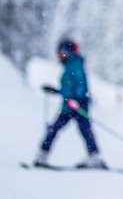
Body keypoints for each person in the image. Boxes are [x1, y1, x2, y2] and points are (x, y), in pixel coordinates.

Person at [33, 39, 107, 169]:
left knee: (62, 129)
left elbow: (81, 85)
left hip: (77, 106)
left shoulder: (75, 64)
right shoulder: (69, 65)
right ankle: (94, 157)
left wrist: (76, 99)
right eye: (59, 53)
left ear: (69, 52)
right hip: (70, 105)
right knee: (78, 130)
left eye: (62, 52)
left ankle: (42, 156)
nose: (60, 55)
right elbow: (68, 88)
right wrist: (56, 91)